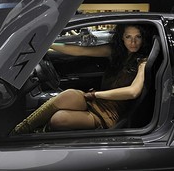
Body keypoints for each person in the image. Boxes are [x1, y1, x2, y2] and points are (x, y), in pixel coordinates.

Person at [10, 24, 153, 135]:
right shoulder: (116, 53)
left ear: (143, 38)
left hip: (110, 114)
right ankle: (20, 130)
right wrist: (47, 44)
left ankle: (38, 133)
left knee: (59, 119)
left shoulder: (142, 62)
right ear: (122, 37)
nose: (133, 42)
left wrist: (95, 95)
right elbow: (80, 51)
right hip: (97, 100)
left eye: (137, 37)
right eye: (128, 37)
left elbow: (133, 92)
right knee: (69, 94)